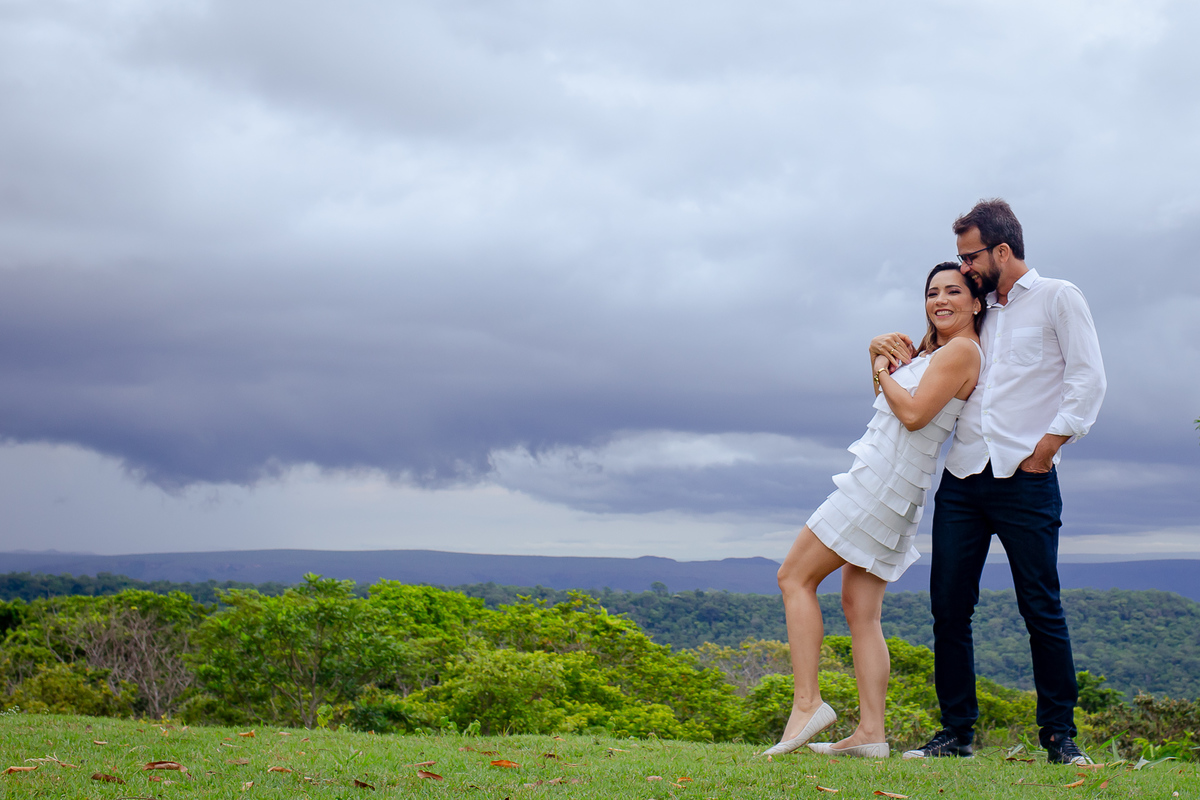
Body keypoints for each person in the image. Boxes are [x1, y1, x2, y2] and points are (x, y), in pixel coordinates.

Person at [874, 200, 1106, 766]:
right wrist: (880, 349)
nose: (964, 267)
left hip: (1027, 478)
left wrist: (1046, 449)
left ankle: (1060, 736)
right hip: (962, 478)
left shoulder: (1058, 297)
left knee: (1040, 608)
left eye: (970, 256)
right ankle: (956, 734)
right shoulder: (977, 311)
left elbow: (1088, 379)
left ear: (1001, 250)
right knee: (949, 609)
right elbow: (921, 371)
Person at [765, 262, 986, 759]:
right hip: (894, 485)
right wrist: (875, 357)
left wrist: (882, 368)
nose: (940, 300)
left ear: (976, 302)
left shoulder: (963, 350)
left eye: (954, 291)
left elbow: (912, 415)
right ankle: (870, 733)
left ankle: (808, 703)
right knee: (860, 610)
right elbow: (891, 406)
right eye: (932, 292)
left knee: (793, 577)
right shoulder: (936, 352)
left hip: (880, 483)